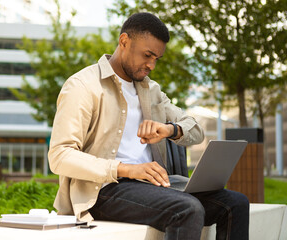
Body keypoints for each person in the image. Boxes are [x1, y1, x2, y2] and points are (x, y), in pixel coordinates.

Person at [48, 12, 249, 240]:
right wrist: (126, 169)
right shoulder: (83, 86)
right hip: (104, 189)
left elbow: (195, 130)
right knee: (188, 209)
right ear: (124, 41)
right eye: (147, 55)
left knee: (235, 204)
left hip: (154, 185)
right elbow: (59, 155)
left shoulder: (150, 89)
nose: (152, 65)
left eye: (156, 58)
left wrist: (169, 130)